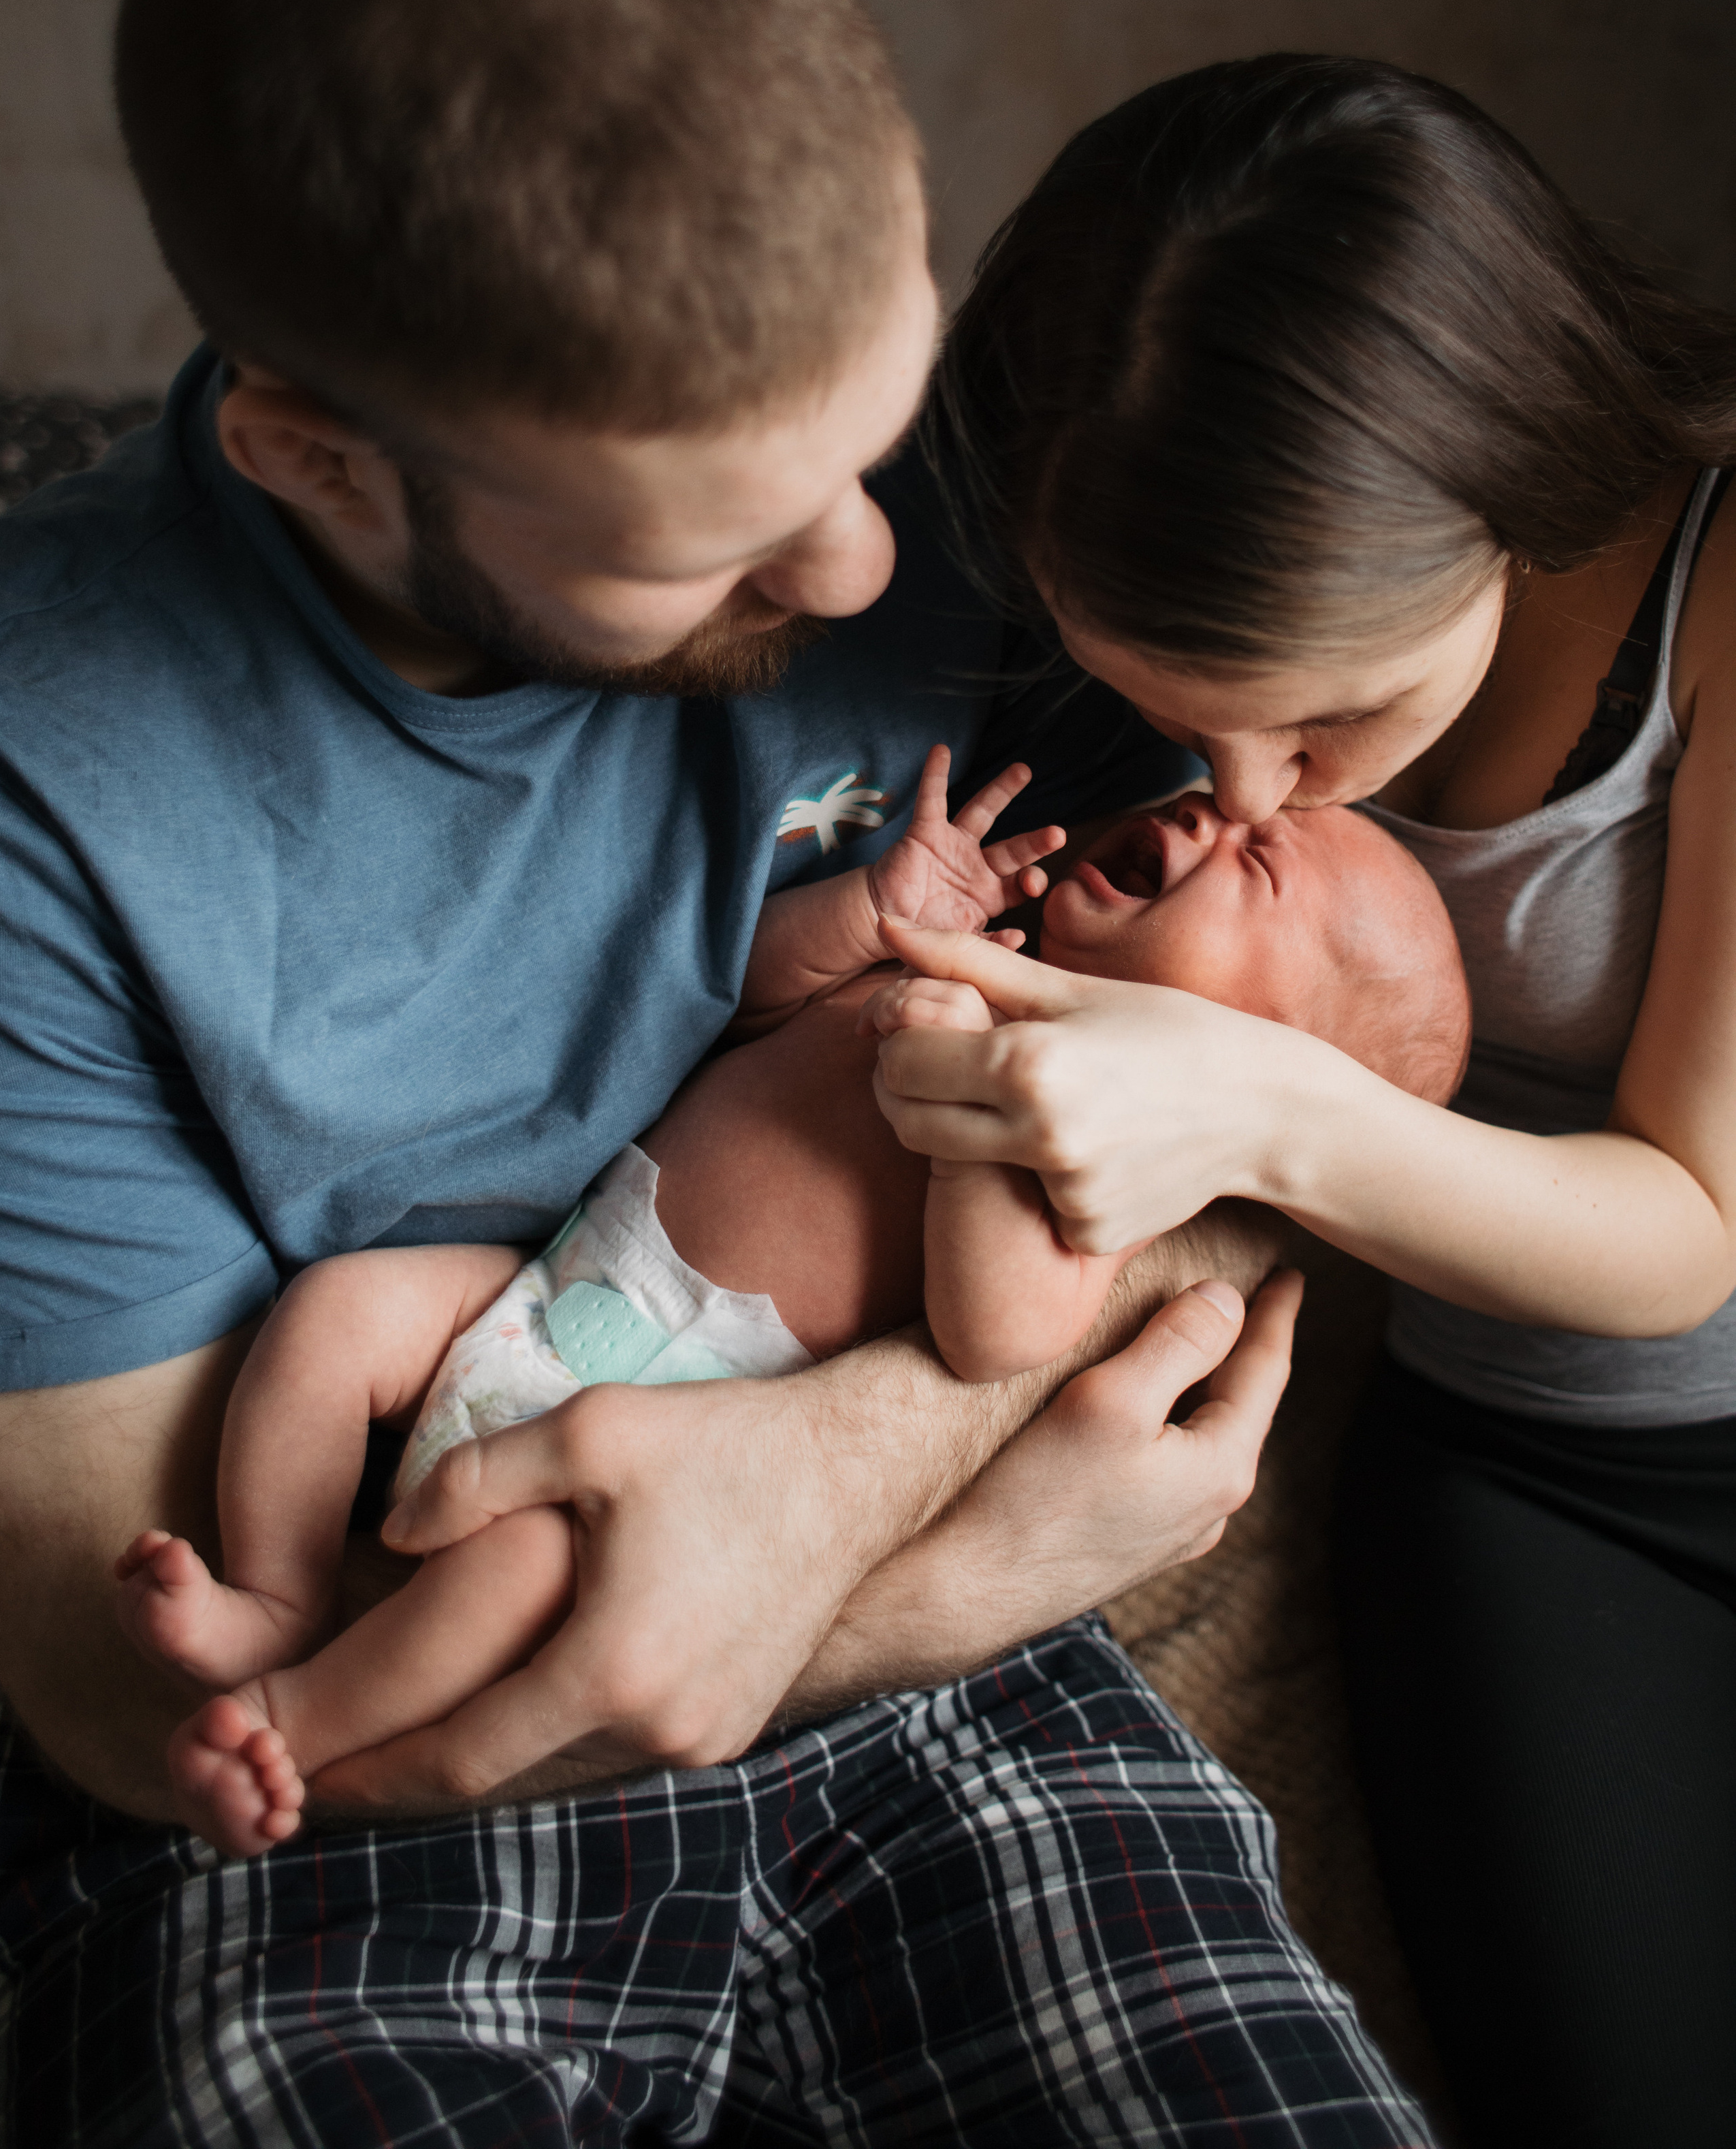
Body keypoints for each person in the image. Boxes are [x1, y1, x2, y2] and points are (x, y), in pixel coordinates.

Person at [0, 0, 1434, 2146]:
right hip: (365, 1798)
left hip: (983, 1744)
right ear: (318, 457)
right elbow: (123, 1694)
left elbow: (1284, 1102)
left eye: (867, 438)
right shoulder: (46, 790)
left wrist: (845, 1475)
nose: (874, 574)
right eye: (710, 548)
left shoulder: (985, 487)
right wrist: (899, 1572)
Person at [866, 53, 1736, 2149]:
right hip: (1543, 1479)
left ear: (1507, 469)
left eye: (1331, 712)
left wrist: (1257, 1114)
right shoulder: (1120, 506)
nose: (1239, 792)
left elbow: (1692, 1227)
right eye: (1179, 717)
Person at [114, 758, 1469, 1858]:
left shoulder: (1098, 1168)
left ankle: (293, 1721)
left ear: (1255, 1073)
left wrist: (965, 1129)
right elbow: (742, 1008)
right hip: (556, 1283)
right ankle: (278, 1590)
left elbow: (997, 1335)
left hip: (674, 1425)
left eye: (1260, 865)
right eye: (1221, 809)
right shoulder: (968, 950)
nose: (1204, 813)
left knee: (519, 1572)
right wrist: (873, 920)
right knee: (338, 1317)